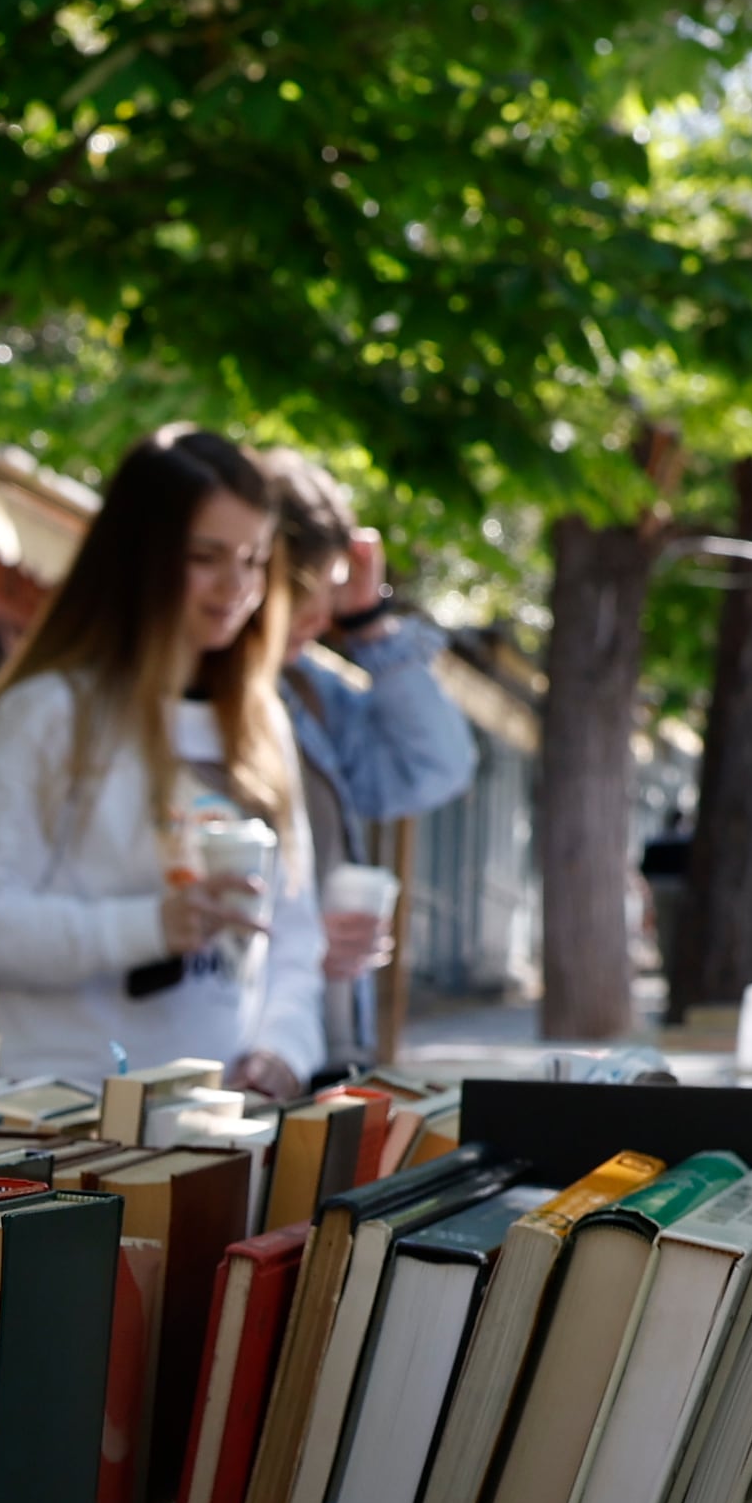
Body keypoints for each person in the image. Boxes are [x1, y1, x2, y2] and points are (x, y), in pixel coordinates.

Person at [0, 425, 323, 1097]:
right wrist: (152, 925)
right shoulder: (52, 713)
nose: (236, 587)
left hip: (227, 1131)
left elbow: (295, 937)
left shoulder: (260, 724)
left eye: (253, 560)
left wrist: (284, 1049)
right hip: (71, 1128)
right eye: (206, 556)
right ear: (142, 558)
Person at [253, 447, 466, 1052]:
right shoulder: (168, 702)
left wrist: (372, 623)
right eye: (311, 589)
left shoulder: (306, 692)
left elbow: (434, 769)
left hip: (315, 1053)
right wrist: (295, 945)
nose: (323, 617)